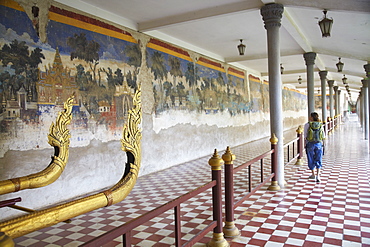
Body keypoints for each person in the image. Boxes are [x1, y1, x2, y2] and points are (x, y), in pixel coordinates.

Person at [304, 112, 325, 182]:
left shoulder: (307, 125)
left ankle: (313, 174)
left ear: (312, 117)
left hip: (310, 144)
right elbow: (323, 135)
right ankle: (318, 175)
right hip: (319, 144)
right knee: (318, 159)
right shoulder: (320, 124)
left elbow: (305, 136)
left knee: (311, 158)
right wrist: (323, 144)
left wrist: (305, 144)